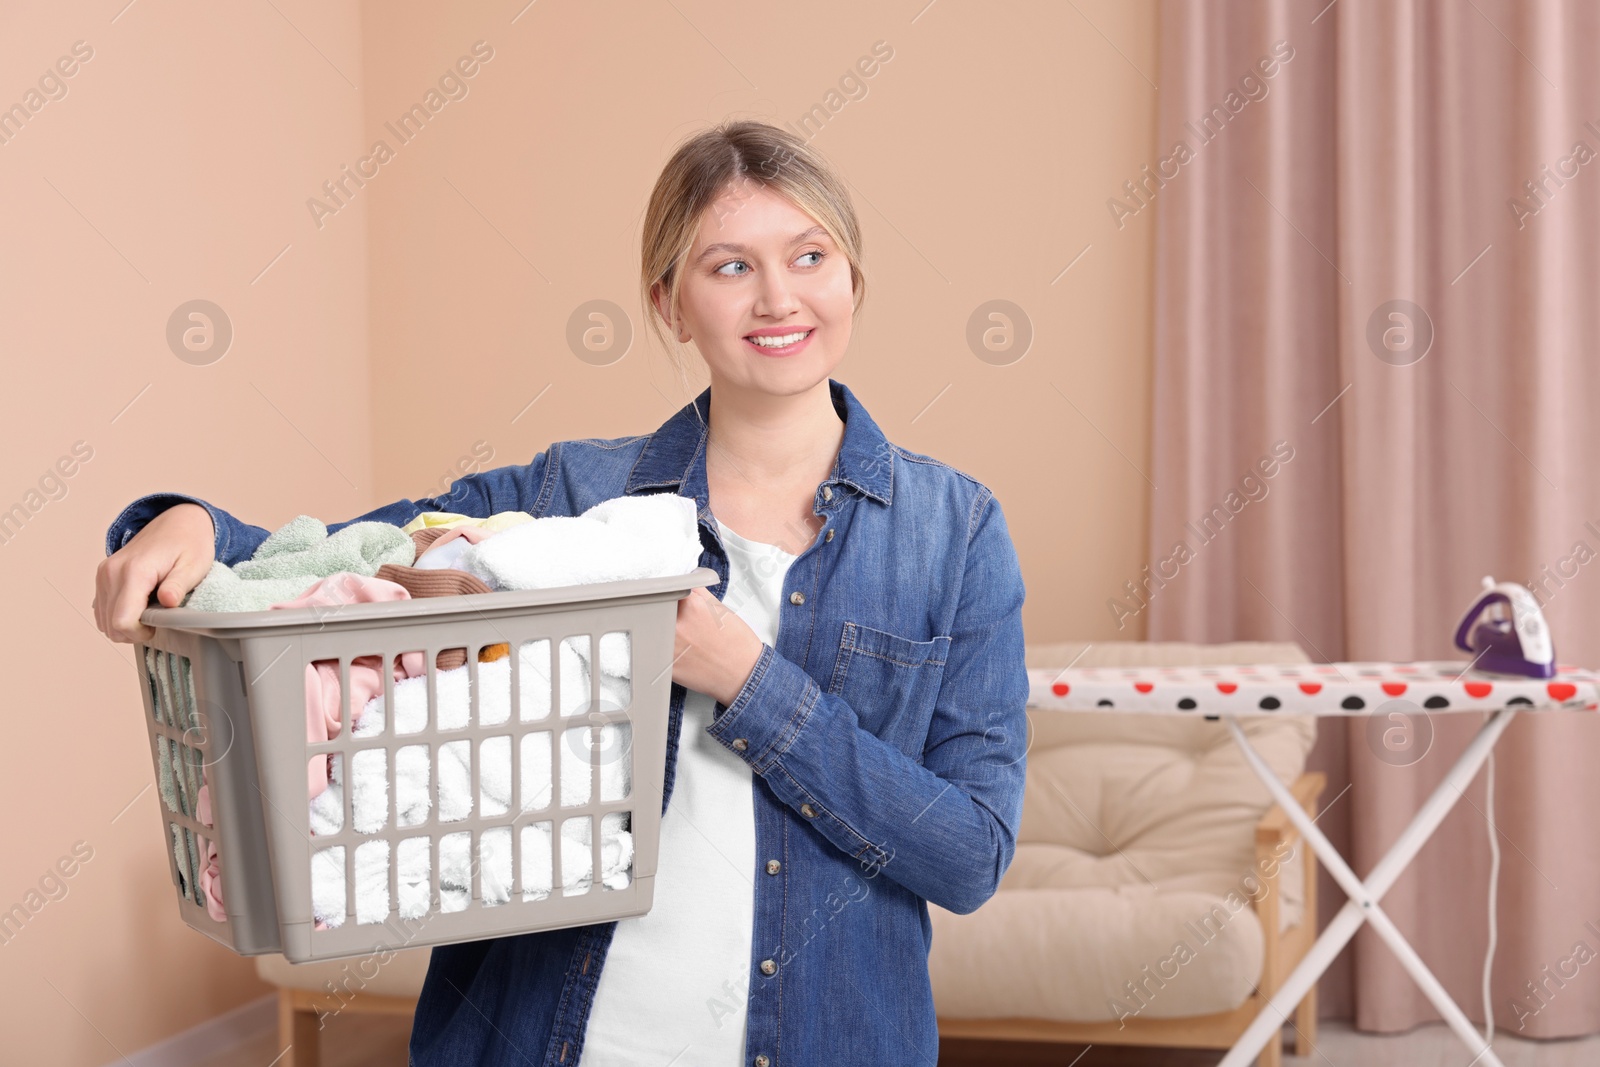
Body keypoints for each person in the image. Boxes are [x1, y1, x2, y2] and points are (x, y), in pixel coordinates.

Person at [95, 119, 1029, 1067]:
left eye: (810, 254)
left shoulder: (955, 533)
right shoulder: (573, 498)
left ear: (854, 278)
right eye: (730, 267)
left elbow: (969, 854)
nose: (778, 296)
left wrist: (748, 680)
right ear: (671, 304)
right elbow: (355, 550)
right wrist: (194, 523)